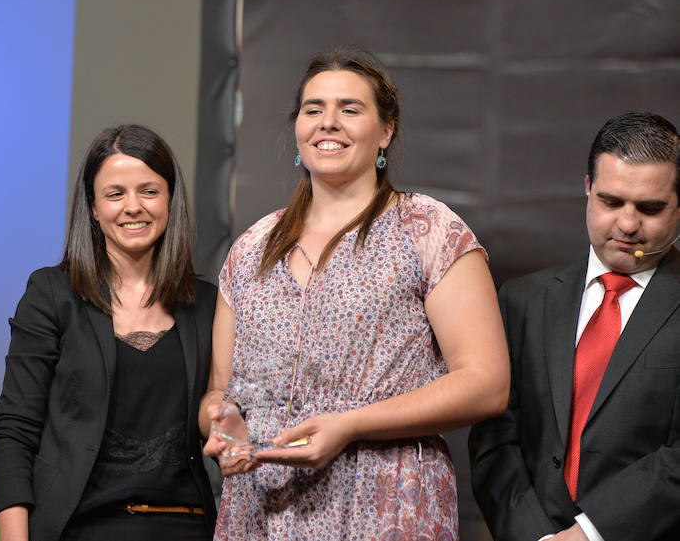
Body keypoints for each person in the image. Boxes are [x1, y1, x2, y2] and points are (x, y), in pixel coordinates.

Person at [198, 47, 510, 540]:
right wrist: (224, 423)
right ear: (298, 129)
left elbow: (486, 383)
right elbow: (219, 390)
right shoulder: (250, 249)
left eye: (350, 109)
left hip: (386, 502)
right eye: (313, 109)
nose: (328, 123)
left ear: (386, 130)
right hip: (263, 510)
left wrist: (352, 424)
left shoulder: (427, 229)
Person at [0, 124, 217, 541]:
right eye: (115, 194)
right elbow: (15, 430)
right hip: (80, 527)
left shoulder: (207, 303)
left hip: (185, 525)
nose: (133, 207)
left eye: (149, 191)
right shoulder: (51, 293)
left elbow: (223, 413)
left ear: (170, 200)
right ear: (93, 208)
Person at [469, 111, 680, 541]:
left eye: (650, 208)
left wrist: (589, 533)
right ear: (587, 190)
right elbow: (494, 441)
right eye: (610, 201)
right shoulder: (522, 300)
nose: (627, 224)